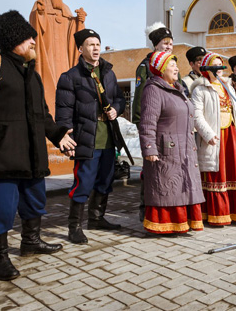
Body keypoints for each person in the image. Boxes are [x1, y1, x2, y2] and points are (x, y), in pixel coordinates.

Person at [0, 10, 76, 281]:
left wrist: (58, 135)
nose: (34, 43)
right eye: (28, 39)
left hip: (32, 154)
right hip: (2, 154)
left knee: (34, 201)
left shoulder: (32, 75)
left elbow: (42, 116)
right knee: (1, 208)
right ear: (13, 40)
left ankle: (31, 241)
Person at [55, 29, 126, 244]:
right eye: (90, 44)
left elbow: (120, 100)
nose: (95, 48)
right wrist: (66, 138)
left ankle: (96, 218)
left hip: (108, 137)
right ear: (80, 49)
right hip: (87, 138)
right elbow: (64, 111)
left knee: (105, 179)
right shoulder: (70, 77)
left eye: (98, 44)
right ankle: (74, 227)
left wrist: (115, 109)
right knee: (83, 182)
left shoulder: (109, 73)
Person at [139, 51, 205, 233]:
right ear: (161, 69)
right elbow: (147, 122)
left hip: (184, 147)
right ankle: (164, 225)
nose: (176, 68)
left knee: (183, 186)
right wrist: (149, 148)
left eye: (176, 65)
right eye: (172, 65)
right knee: (167, 186)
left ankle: (184, 222)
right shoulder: (153, 89)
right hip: (165, 148)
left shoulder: (178, 89)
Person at [190, 53, 236, 226]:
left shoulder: (228, 87)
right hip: (216, 137)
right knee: (217, 174)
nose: (220, 69)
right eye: (216, 65)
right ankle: (217, 214)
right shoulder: (200, 89)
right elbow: (196, 116)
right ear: (207, 68)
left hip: (232, 136)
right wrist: (208, 134)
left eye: (221, 65)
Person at [131, 22, 175, 222]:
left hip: (171, 126)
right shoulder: (146, 66)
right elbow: (140, 99)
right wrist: (141, 126)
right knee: (150, 170)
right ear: (156, 45)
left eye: (170, 43)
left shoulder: (172, 64)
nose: (168, 47)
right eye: (164, 44)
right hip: (153, 126)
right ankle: (145, 207)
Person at [29, 0, 86, 116]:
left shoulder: (65, 10)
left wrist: (80, 21)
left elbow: (75, 34)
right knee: (48, 86)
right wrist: (40, 14)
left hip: (64, 58)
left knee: (66, 86)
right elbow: (34, 25)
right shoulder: (41, 5)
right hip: (48, 56)